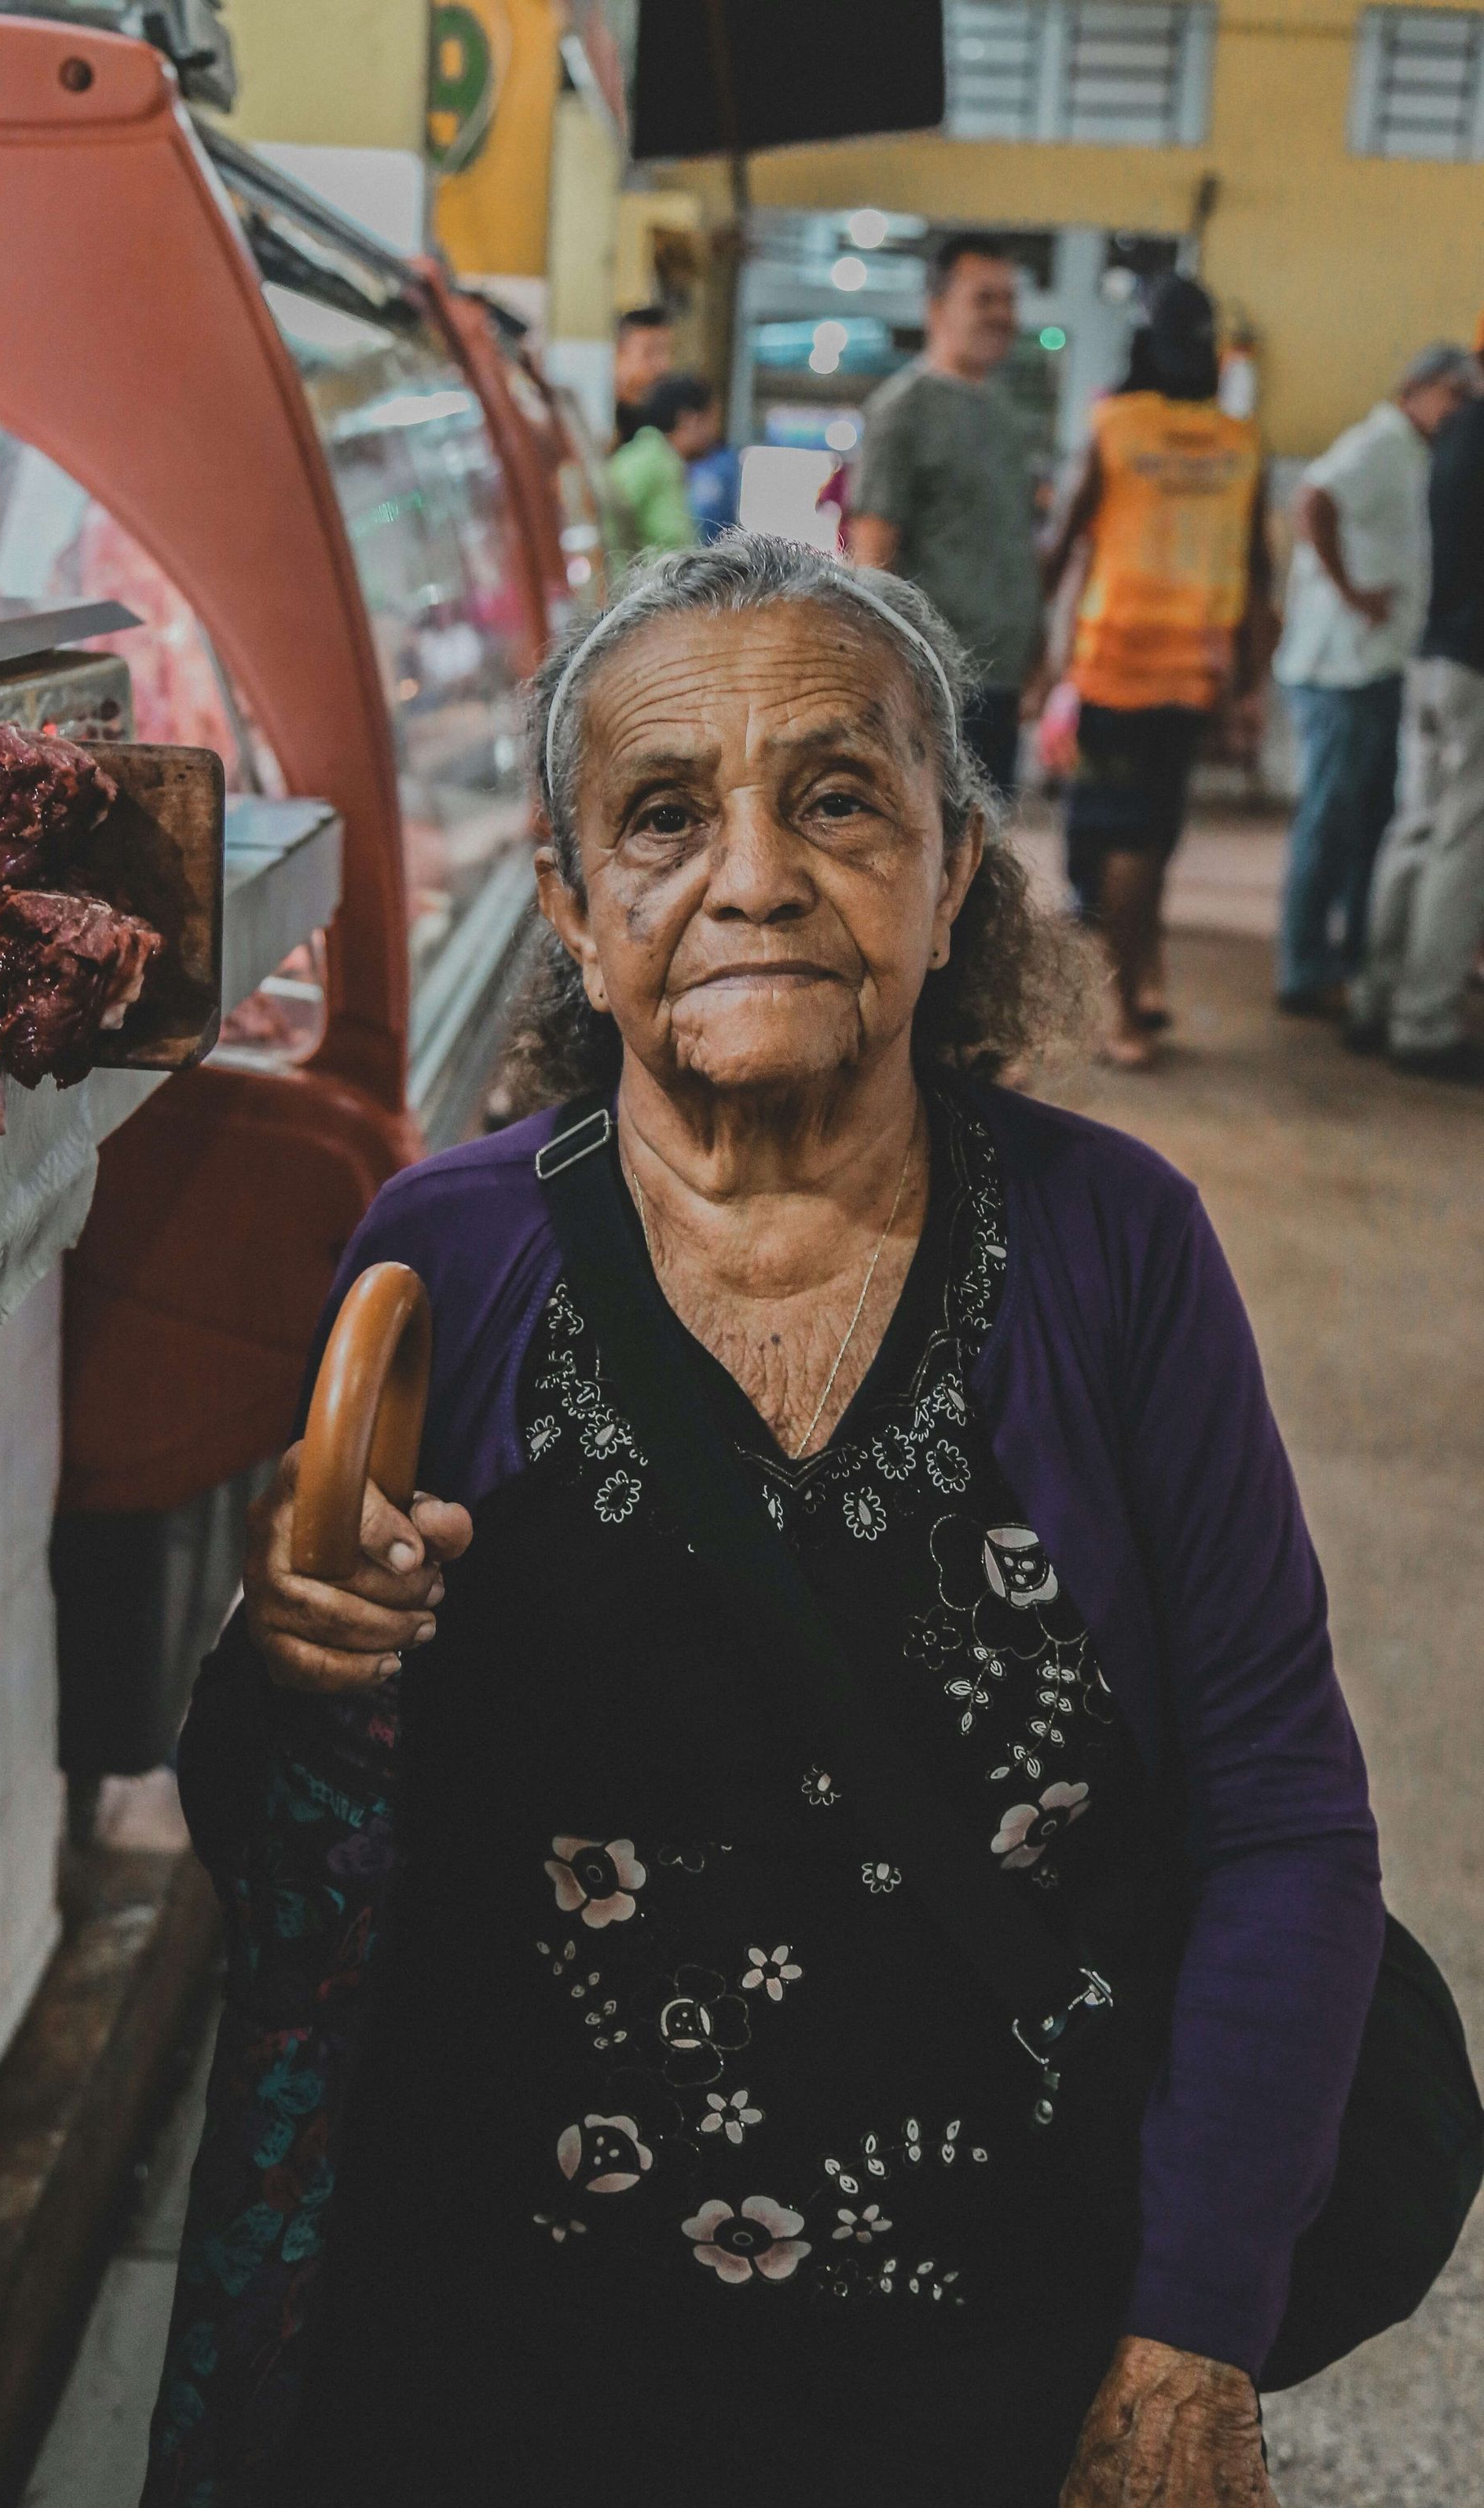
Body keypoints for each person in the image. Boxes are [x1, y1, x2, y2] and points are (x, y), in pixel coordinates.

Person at [144, 536, 1384, 2508]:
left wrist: (1193, 2322)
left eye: (836, 796)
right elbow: (285, 1838)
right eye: (659, 815)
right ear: (567, 896)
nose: (751, 874)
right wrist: (290, 1657)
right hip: (508, 2341)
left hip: (993, 2336)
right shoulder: (444, 1255)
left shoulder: (1110, 1243)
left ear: (950, 860)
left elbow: (1283, 1814)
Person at [1042, 278, 1272, 1067]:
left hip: (1116, 665)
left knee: (1115, 840)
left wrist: (1040, 656)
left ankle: (1121, 1010)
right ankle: (1140, 985)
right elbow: (1259, 574)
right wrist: (1249, 687)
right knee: (1156, 833)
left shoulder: (1115, 427)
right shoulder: (1242, 443)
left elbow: (1066, 540)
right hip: (1195, 672)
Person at [1273, 343, 1474, 1016]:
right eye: (1453, 394)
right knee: (1329, 821)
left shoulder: (1416, 453)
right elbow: (1312, 501)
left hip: (1379, 663)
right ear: (1417, 389)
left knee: (1371, 821)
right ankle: (1303, 970)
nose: (1458, 410)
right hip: (1341, 667)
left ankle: (1353, 960)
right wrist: (1353, 593)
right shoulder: (1379, 444)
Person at [848, 231, 1039, 798]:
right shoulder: (903, 410)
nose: (1002, 315)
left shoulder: (1006, 416)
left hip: (999, 681)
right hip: (935, 681)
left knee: (987, 855)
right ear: (936, 309)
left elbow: (1015, 542)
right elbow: (872, 553)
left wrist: (1037, 653)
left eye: (1009, 300)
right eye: (985, 299)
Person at [1347, 345, 1484, 1080]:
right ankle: (1424, 1021)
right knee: (1462, 845)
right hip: (1477, 667)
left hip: (1435, 653)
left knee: (1419, 827)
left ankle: (1375, 998)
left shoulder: (1458, 431)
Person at [603, 372, 713, 576]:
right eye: (710, 419)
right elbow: (604, 513)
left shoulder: (671, 464)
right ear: (689, 419)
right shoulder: (647, 458)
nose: (713, 430)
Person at [612, 300, 674, 447]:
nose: (663, 365)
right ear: (619, 354)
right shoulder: (602, 419)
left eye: (668, 352)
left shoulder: (669, 420)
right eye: (650, 353)